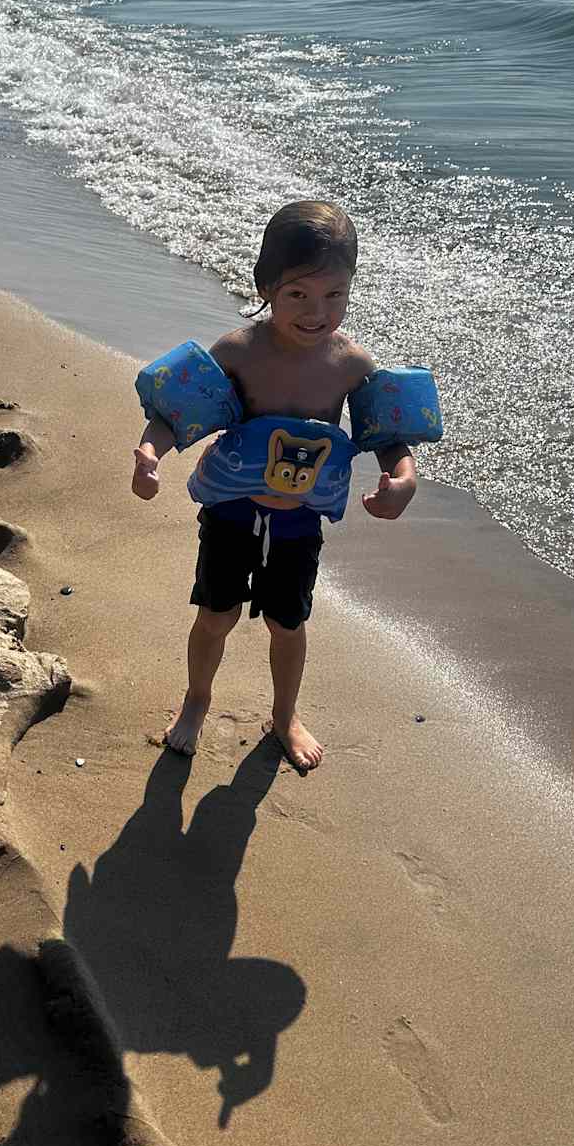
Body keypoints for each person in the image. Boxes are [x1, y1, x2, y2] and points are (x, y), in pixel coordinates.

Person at [131, 201, 418, 771]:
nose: (318, 312)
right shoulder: (237, 352)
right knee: (217, 615)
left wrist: (403, 478)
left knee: (288, 623)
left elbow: (388, 436)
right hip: (232, 511)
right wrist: (149, 453)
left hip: (297, 520)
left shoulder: (351, 364)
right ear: (266, 286)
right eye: (298, 296)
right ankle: (197, 699)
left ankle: (284, 716)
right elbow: (176, 414)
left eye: (334, 295)